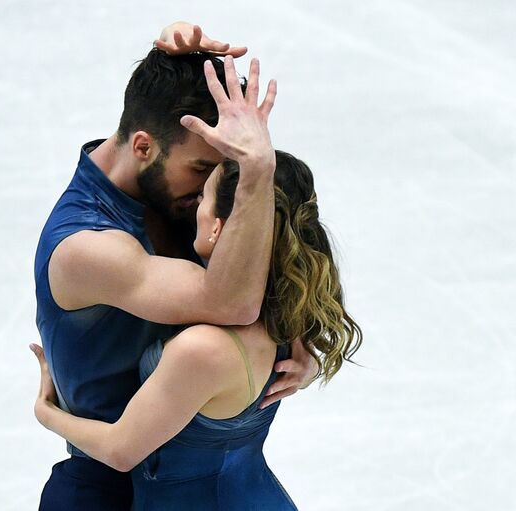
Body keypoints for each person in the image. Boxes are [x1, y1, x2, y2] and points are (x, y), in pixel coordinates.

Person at [33, 22, 317, 511]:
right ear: (143, 147)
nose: (221, 187)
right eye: (205, 171)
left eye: (228, 168)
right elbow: (233, 301)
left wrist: (301, 345)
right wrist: (258, 170)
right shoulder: (87, 247)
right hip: (107, 492)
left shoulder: (183, 193)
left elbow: (288, 263)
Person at [31, 150, 363, 509]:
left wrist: (47, 412)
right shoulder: (288, 314)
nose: (194, 207)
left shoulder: (203, 349)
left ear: (219, 226)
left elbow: (120, 450)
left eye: (203, 196)